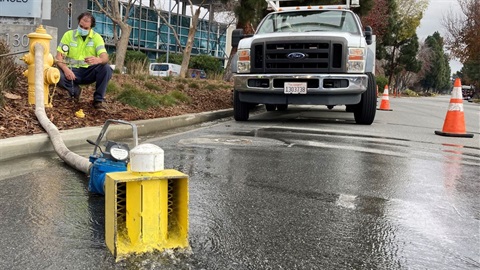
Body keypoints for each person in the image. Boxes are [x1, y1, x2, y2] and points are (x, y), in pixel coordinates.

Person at [55, 12, 112, 110]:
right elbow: (58, 57)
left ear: (91, 27)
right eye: (81, 26)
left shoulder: (97, 38)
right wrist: (65, 69)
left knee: (106, 68)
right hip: (71, 71)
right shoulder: (68, 35)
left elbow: (105, 57)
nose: (82, 29)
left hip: (88, 72)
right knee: (54, 73)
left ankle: (98, 101)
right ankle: (75, 91)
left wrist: (99, 59)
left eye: (86, 28)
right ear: (78, 23)